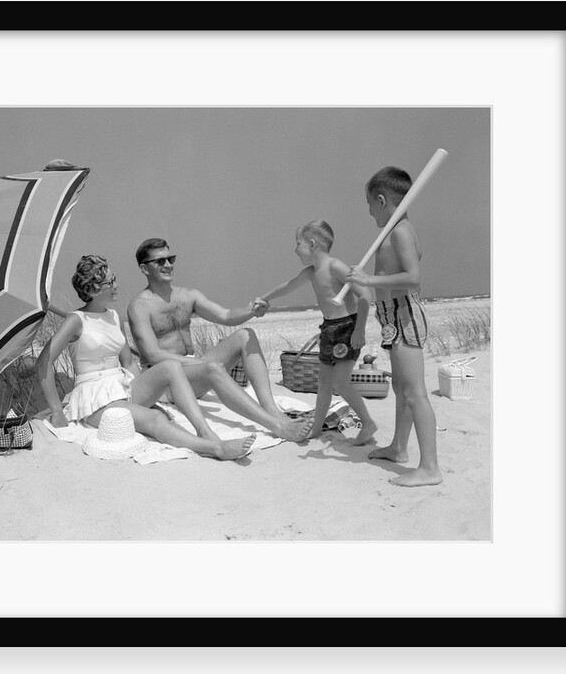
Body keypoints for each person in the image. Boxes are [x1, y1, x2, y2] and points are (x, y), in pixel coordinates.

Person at [36, 254, 256, 461]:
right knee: (155, 420)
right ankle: (215, 449)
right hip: (95, 396)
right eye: (111, 281)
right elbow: (43, 362)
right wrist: (57, 411)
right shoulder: (76, 320)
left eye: (115, 279)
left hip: (121, 386)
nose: (116, 285)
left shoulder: (113, 316)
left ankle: (205, 432)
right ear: (94, 289)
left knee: (170, 366)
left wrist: (147, 397)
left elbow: (129, 362)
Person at [126, 238, 311, 442]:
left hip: (191, 371)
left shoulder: (188, 295)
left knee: (245, 335)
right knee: (212, 368)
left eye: (171, 259)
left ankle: (271, 409)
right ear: (144, 268)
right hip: (165, 381)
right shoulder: (139, 306)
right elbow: (153, 354)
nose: (168, 265)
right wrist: (202, 363)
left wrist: (252, 311)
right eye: (160, 262)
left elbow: (226, 316)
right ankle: (277, 426)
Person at [347, 165, 443, 487]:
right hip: (391, 315)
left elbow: (413, 278)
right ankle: (399, 448)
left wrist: (368, 279)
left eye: (369, 203)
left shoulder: (401, 230)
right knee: (401, 390)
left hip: (404, 314)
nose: (368, 210)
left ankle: (430, 468)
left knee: (415, 393)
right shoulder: (393, 232)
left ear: (382, 199)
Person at [254, 220, 378, 445]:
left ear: (312, 244)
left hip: (346, 328)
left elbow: (365, 296)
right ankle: (318, 427)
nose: (295, 250)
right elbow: (288, 286)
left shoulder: (335, 267)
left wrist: (359, 330)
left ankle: (368, 422)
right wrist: (265, 298)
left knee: (340, 383)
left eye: (298, 244)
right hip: (328, 328)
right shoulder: (311, 272)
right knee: (323, 382)